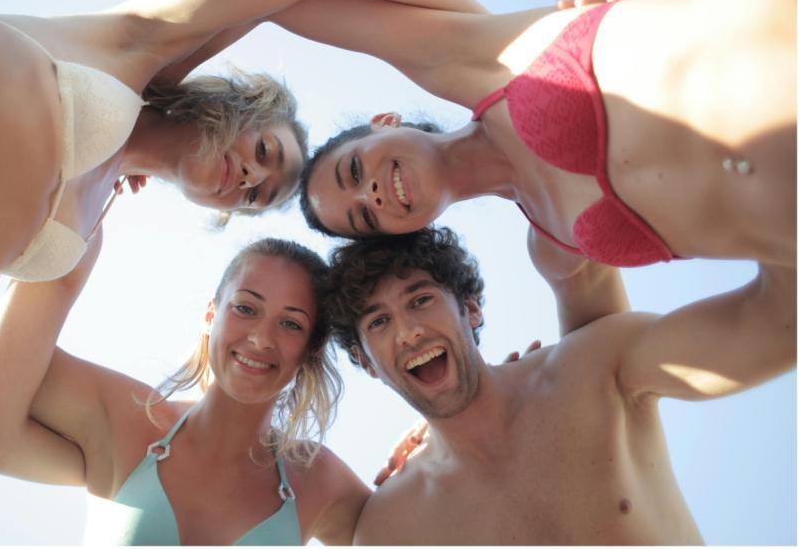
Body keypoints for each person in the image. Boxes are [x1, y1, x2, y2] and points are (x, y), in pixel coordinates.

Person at [0, 0, 487, 286]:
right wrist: (502, 60)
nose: (252, 175)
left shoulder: (88, 231)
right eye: (264, 149)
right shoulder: (144, 50)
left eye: (258, 194)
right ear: (237, 107)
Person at [272, 0, 796, 270]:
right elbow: (600, 369)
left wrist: (186, 73)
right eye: (366, 217)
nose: (373, 196)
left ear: (384, 121)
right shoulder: (556, 254)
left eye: (353, 172)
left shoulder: (470, 59)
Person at [325, 226, 795, 544]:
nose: (408, 332)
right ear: (367, 363)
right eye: (380, 322)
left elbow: (778, 325)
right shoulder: (391, 528)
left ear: (470, 310)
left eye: (421, 300)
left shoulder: (593, 367)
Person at [0, 234, 392, 545]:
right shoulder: (128, 419)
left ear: (311, 350)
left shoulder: (317, 479)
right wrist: (62, 195)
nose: (262, 338)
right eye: (245, 308)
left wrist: (433, 443)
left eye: (291, 323)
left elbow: (421, 528)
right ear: (210, 315)